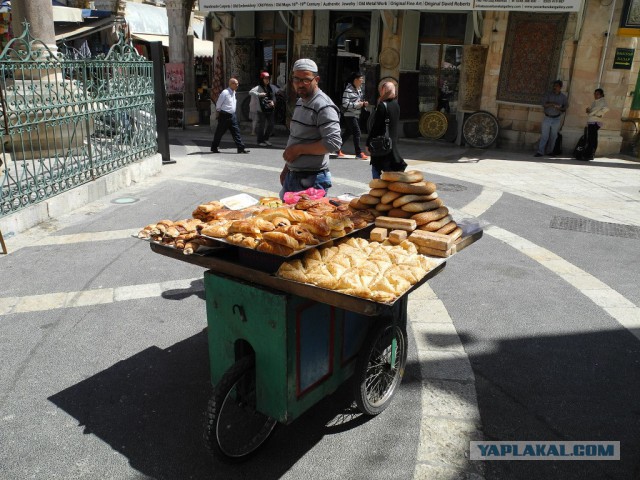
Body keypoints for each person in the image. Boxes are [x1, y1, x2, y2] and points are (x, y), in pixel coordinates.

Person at [280, 59, 341, 199]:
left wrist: (298, 150)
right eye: (296, 79)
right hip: (293, 175)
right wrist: (287, 168)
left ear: (316, 79)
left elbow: (333, 143)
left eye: (306, 80)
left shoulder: (323, 106)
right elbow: (296, 137)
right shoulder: (301, 101)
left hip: (312, 180)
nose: (300, 84)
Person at [366, 81, 407, 179]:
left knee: (376, 167)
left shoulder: (382, 106)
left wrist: (368, 143)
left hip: (381, 143)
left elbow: (376, 127)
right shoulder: (396, 105)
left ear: (384, 90)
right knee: (390, 170)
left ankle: (378, 190)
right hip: (392, 143)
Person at [210, 77, 250, 154]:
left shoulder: (234, 92)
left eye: (238, 83)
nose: (238, 85)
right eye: (236, 83)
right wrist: (218, 112)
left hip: (232, 116)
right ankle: (214, 147)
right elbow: (218, 103)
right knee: (219, 132)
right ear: (231, 84)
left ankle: (241, 148)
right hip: (224, 116)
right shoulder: (225, 92)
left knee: (236, 132)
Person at [338, 71, 368, 159]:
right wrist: (358, 105)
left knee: (348, 132)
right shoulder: (348, 90)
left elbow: (358, 101)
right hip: (349, 114)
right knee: (357, 132)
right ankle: (358, 153)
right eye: (361, 79)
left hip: (356, 114)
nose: (362, 81)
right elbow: (345, 104)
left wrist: (363, 103)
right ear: (355, 80)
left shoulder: (359, 89)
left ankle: (337, 148)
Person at [535, 80, 568, 157]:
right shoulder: (548, 95)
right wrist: (552, 104)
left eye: (556, 86)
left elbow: (565, 107)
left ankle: (550, 151)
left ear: (560, 87)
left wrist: (560, 109)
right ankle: (540, 152)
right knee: (544, 135)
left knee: (553, 136)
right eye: (554, 85)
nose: (554, 87)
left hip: (556, 118)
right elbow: (544, 104)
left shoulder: (563, 97)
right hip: (547, 117)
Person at [249, 71, 280, 146]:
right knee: (261, 126)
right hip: (261, 110)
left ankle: (266, 139)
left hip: (270, 108)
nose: (267, 80)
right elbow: (250, 92)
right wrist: (259, 94)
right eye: (265, 78)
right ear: (262, 79)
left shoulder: (271, 87)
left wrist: (273, 102)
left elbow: (274, 96)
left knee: (271, 125)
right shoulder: (259, 87)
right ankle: (260, 141)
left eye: (268, 78)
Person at [584, 88, 609, 161]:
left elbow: (606, 109)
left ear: (601, 95)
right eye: (595, 94)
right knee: (592, 138)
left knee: (592, 138)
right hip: (592, 120)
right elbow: (592, 110)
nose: (595, 95)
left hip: (595, 121)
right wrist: (589, 111)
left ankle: (590, 154)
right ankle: (590, 154)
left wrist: (597, 114)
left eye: (597, 94)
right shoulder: (596, 101)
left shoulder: (602, 101)